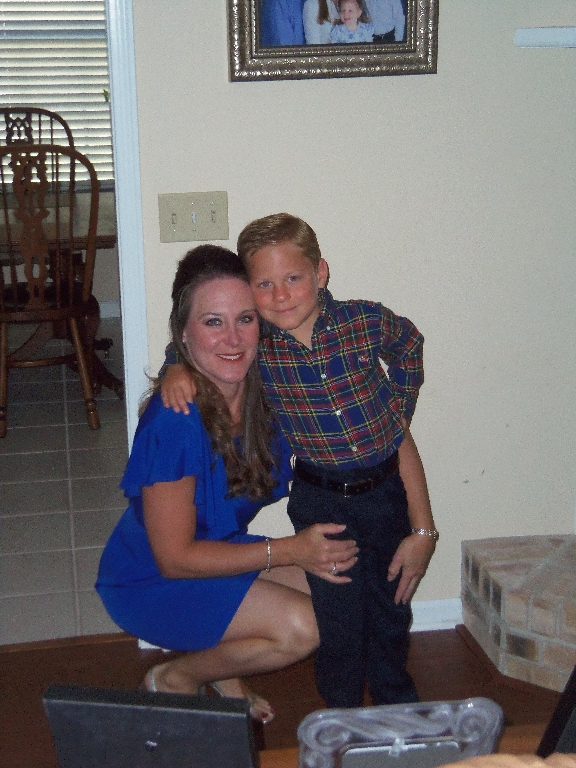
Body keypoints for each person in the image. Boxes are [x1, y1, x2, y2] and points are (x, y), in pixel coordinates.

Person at [161, 216, 437, 709]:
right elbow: (193, 344)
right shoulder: (258, 342)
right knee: (338, 617)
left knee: (391, 608)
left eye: (293, 277)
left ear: (320, 273)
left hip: (385, 494)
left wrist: (396, 409)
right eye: (264, 284)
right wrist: (174, 368)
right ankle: (341, 712)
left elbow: (410, 345)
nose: (281, 295)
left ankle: (399, 708)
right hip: (320, 498)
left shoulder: (363, 321)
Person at [95, 244, 358, 723]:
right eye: (212, 322)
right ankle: (177, 676)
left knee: (343, 584)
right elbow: (175, 560)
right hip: (152, 579)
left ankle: (225, 668)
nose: (233, 338)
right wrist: (290, 550)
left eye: (245, 319)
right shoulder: (174, 421)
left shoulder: (269, 392)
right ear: (183, 332)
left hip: (218, 554)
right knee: (305, 627)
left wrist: (414, 524)